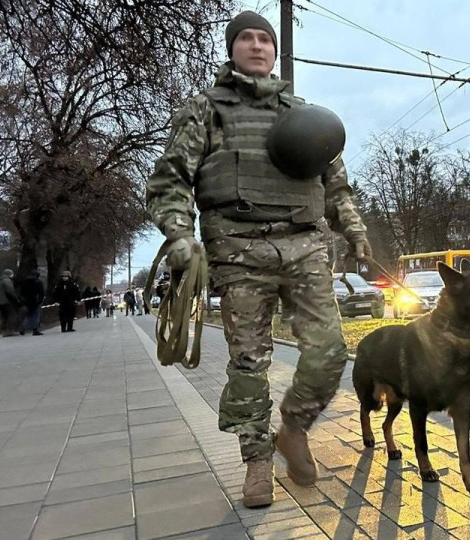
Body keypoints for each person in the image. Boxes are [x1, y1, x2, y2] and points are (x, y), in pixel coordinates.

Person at [146, 10, 370, 509]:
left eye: (264, 38)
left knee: (330, 351)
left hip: (307, 245)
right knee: (249, 361)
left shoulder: (303, 113)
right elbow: (170, 179)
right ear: (232, 49)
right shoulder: (207, 110)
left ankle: (293, 428)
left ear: (274, 50)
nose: (256, 45)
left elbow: (335, 183)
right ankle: (256, 461)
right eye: (245, 38)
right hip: (239, 249)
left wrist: (353, 229)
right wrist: (180, 235)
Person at [0, 269, 20, 337]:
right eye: (12, 274)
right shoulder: (7, 280)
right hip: (6, 301)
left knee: (4, 316)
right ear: (9, 274)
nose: (13, 275)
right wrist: (16, 298)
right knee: (11, 315)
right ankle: (10, 331)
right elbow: (10, 291)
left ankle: (4, 331)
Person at [18, 269, 45, 336]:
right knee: (36, 316)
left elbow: (21, 292)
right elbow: (41, 293)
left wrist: (23, 300)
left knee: (28, 315)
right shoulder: (38, 282)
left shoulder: (25, 281)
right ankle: (35, 330)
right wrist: (40, 301)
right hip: (35, 300)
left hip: (27, 301)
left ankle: (23, 328)